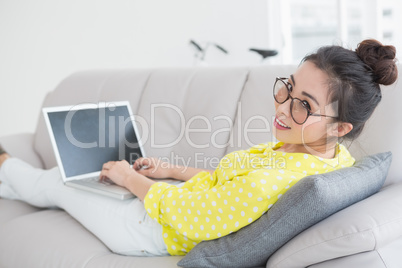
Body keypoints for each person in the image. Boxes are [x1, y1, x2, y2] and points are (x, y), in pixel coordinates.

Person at [0, 39, 398, 256]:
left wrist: (128, 178)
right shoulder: (326, 157)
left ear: (341, 126)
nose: (282, 105)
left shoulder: (279, 178)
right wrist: (172, 171)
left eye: (304, 105)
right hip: (166, 201)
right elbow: (229, 185)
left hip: (150, 229)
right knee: (75, 179)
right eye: (289, 88)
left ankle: (4, 166)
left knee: (59, 181)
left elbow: (192, 220)